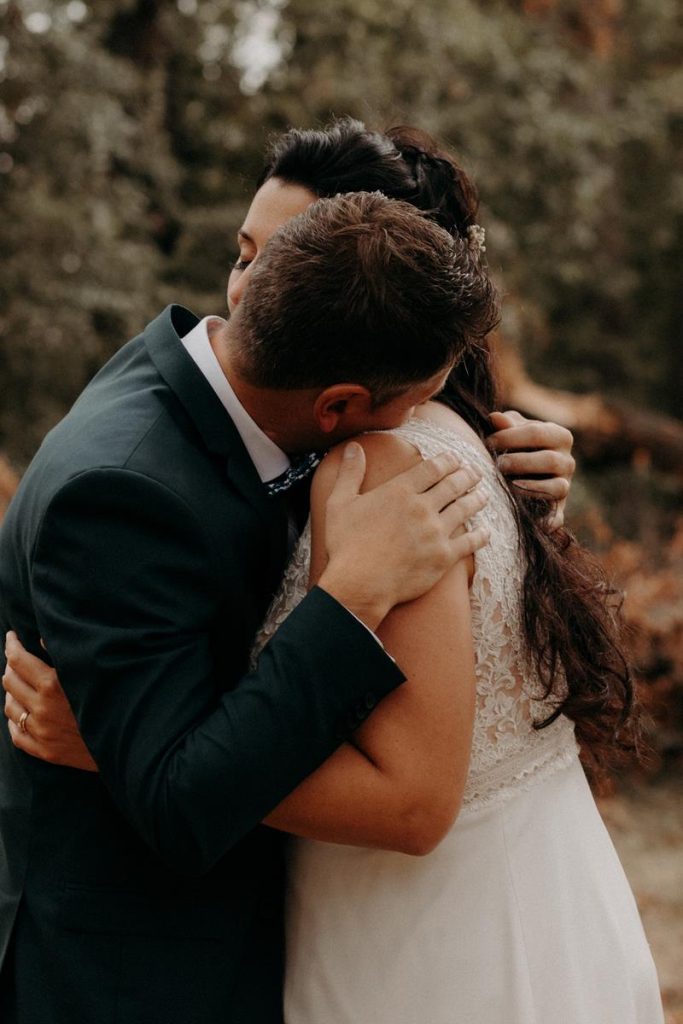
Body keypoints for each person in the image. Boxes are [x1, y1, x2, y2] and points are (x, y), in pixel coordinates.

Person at [0, 120, 604, 1022]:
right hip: (129, 974)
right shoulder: (125, 489)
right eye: (246, 255)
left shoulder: (327, 426)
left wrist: (529, 505)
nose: (248, 292)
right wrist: (351, 592)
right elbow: (174, 794)